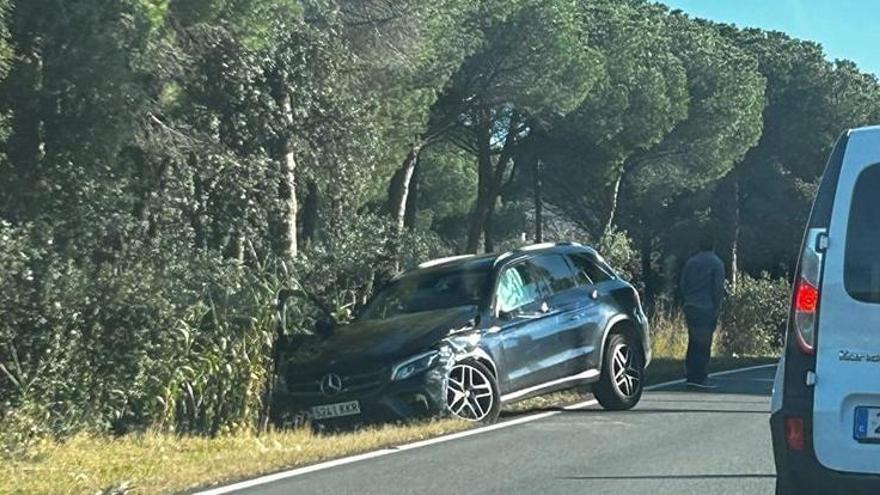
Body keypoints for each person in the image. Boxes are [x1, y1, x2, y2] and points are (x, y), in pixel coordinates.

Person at [680, 233, 726, 389]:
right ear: (713, 244)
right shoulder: (716, 263)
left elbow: (683, 283)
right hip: (706, 306)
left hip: (690, 305)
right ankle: (701, 376)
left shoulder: (691, 262)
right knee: (704, 343)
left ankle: (690, 373)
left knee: (693, 340)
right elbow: (717, 288)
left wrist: (686, 299)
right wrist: (717, 307)